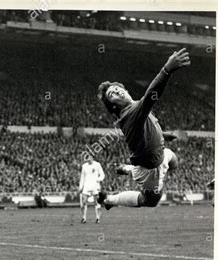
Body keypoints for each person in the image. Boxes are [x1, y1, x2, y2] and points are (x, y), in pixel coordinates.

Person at [96, 48, 189, 210]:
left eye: (117, 88)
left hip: (159, 155)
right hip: (150, 170)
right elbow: (151, 95)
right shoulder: (130, 114)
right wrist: (166, 70)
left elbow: (148, 127)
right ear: (114, 105)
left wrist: (162, 135)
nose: (116, 91)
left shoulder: (135, 108)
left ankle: (129, 169)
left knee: (174, 161)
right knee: (151, 201)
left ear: (125, 90)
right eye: (112, 94)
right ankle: (109, 199)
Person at [78, 157, 104, 223]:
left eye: (89, 158)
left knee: (96, 202)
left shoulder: (97, 164)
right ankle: (84, 218)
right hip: (86, 186)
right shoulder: (84, 166)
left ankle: (98, 218)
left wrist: (98, 180)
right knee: (84, 202)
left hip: (95, 186)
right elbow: (82, 177)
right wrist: (80, 187)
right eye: (87, 158)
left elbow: (102, 175)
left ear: (92, 158)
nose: (88, 159)